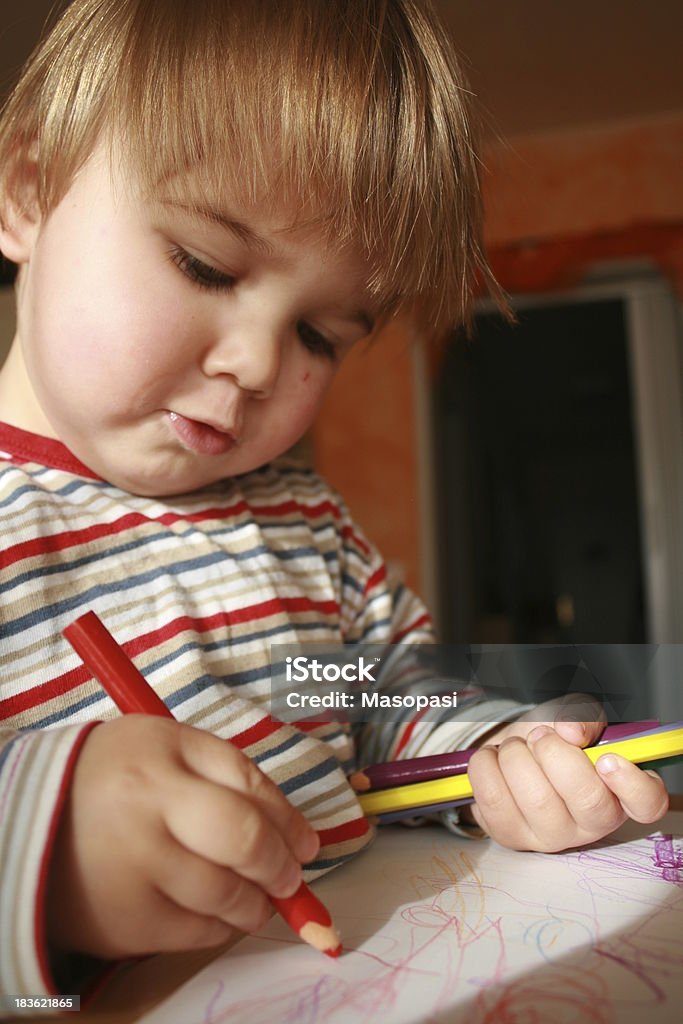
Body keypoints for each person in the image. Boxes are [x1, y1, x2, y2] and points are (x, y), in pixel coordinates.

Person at [0, 0, 668, 1005]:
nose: (259, 361)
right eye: (205, 264)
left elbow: (376, 699)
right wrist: (42, 862)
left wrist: (493, 756)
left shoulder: (309, 526)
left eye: (319, 334)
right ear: (28, 191)